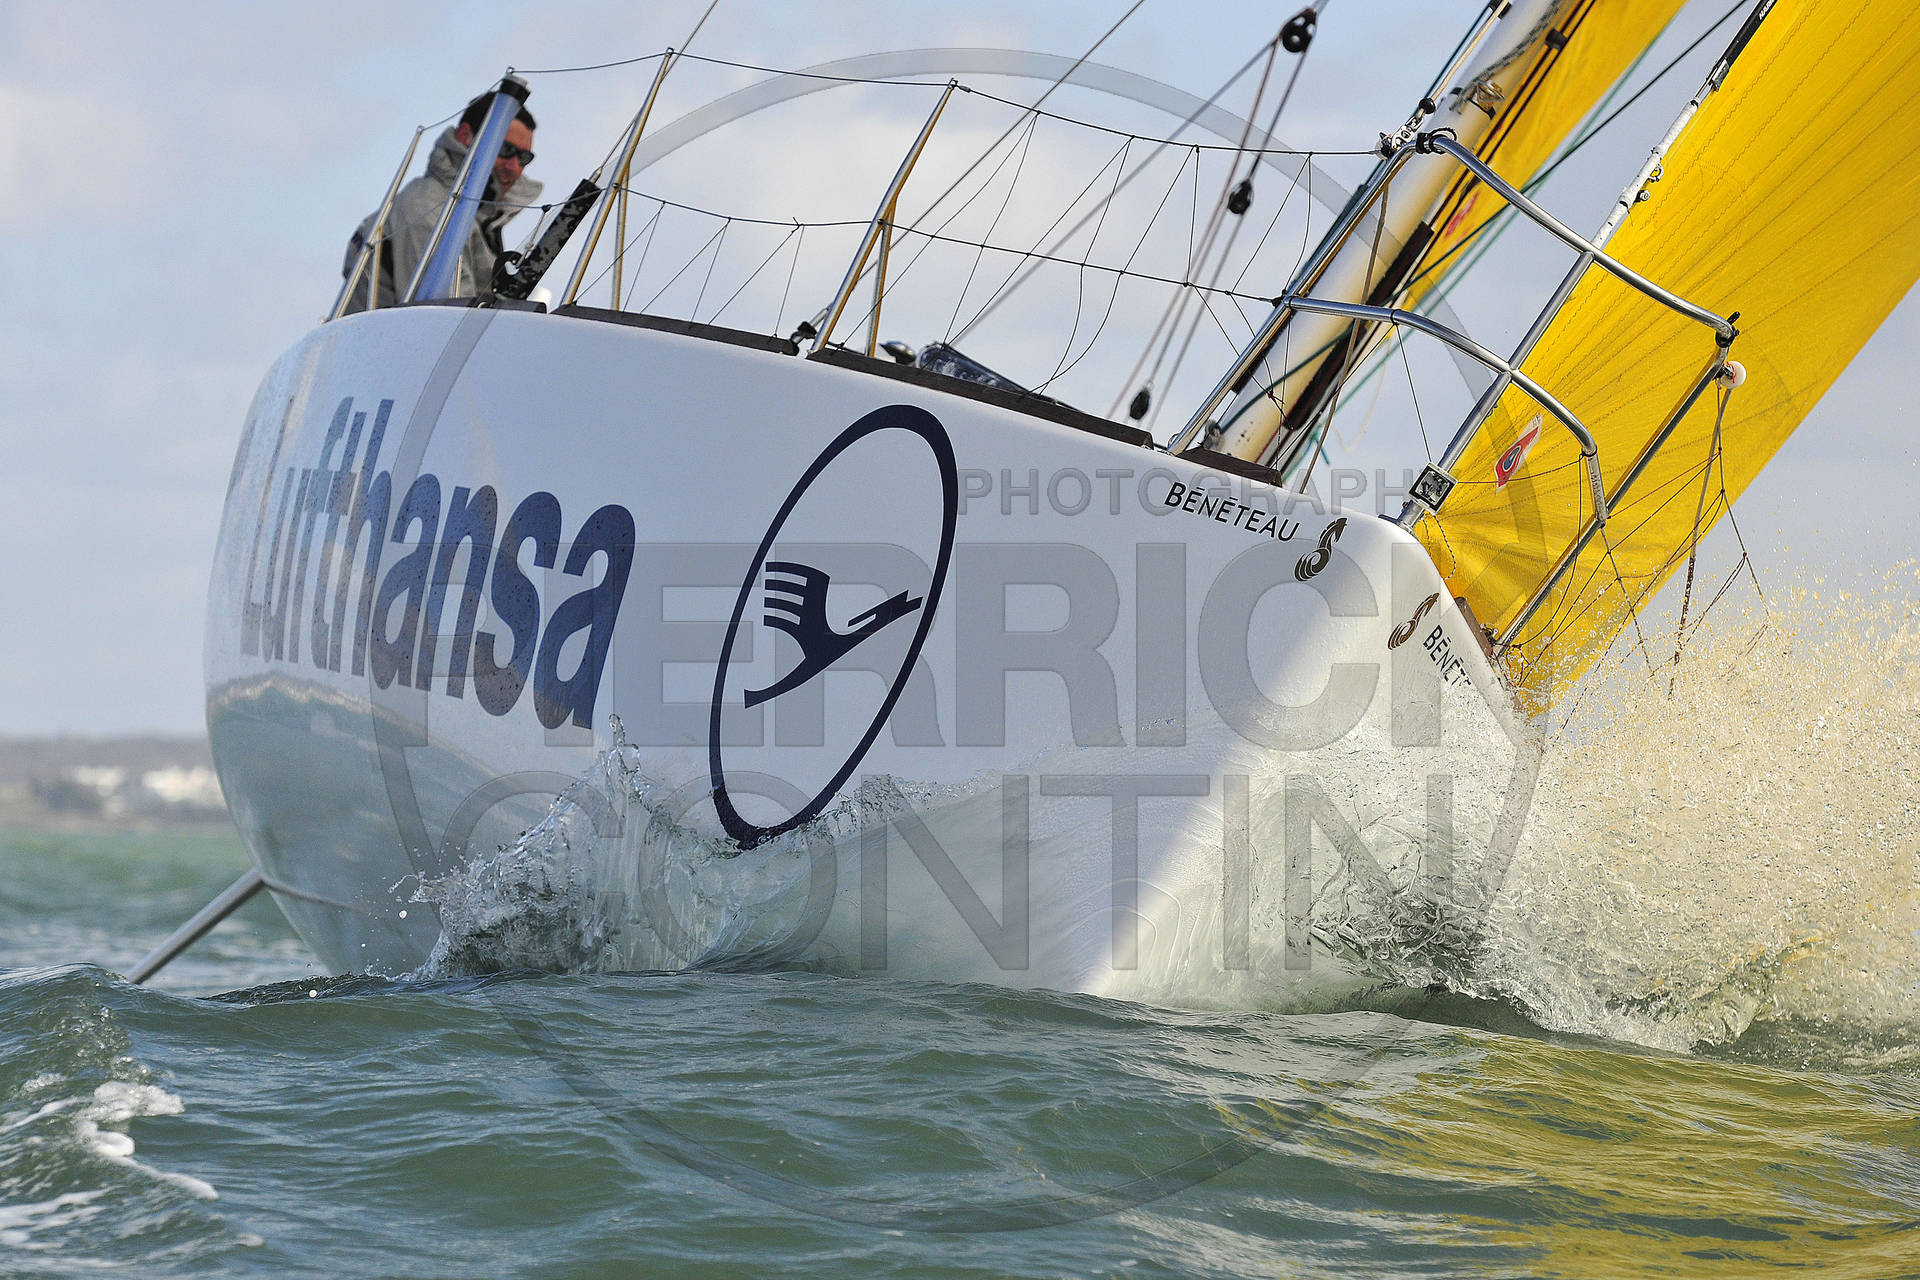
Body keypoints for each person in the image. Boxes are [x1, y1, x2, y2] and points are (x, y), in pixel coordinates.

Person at [341, 93, 543, 311]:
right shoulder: (429, 211)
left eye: (524, 157)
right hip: (398, 333)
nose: (513, 166)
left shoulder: (472, 213)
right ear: (465, 136)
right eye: (505, 149)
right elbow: (446, 319)